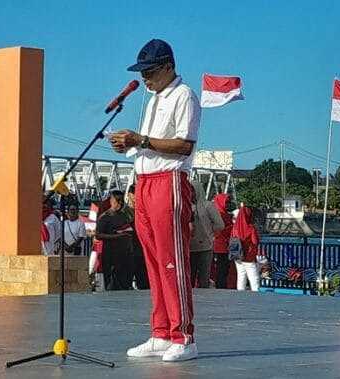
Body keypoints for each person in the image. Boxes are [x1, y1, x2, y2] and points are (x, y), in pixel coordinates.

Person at [110, 39, 201, 362]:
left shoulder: (184, 95)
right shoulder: (153, 99)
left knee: (172, 260)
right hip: (145, 181)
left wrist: (141, 140)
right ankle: (161, 331)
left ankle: (184, 335)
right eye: (142, 72)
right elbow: (148, 146)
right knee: (151, 260)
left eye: (150, 71)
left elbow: (184, 145)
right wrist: (131, 150)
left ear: (168, 67)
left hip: (169, 181)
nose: (145, 78)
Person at [189, 179, 224, 288]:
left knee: (204, 278)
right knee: (189, 278)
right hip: (188, 248)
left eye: (192, 190)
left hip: (205, 247)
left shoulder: (208, 206)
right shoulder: (185, 205)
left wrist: (209, 231)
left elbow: (220, 224)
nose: (190, 193)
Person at [95, 190, 133, 290]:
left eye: (121, 200)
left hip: (124, 254)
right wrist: (116, 236)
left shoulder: (125, 215)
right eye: (118, 200)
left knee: (124, 283)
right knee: (111, 284)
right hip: (110, 254)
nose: (120, 203)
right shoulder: (105, 216)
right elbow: (98, 235)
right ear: (112, 201)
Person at [232, 206, 262, 292]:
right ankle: (256, 296)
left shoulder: (235, 227)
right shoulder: (250, 228)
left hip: (238, 255)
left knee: (241, 276)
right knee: (253, 277)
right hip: (249, 255)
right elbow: (255, 241)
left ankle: (240, 295)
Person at [125, 184, 149, 290]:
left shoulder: (145, 211)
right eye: (136, 194)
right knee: (126, 284)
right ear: (130, 195)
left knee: (144, 283)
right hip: (127, 252)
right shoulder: (124, 212)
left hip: (142, 252)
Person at [212, 194, 234, 289]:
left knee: (222, 268)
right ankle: (221, 285)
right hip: (221, 246)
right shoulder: (220, 215)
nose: (228, 204)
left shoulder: (221, 214)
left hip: (220, 246)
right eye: (227, 202)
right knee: (222, 268)